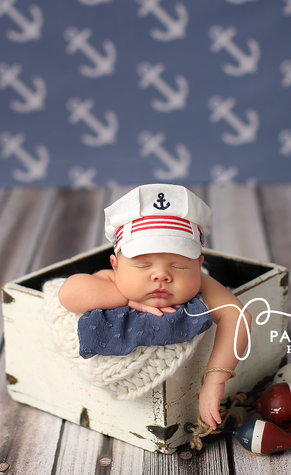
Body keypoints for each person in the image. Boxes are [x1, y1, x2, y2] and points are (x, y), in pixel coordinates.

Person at [58, 183, 251, 430]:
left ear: (199, 264)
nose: (161, 275)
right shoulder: (111, 279)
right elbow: (68, 293)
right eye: (142, 264)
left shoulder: (200, 281)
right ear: (115, 265)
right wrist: (126, 298)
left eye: (180, 265)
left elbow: (237, 315)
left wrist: (215, 380)